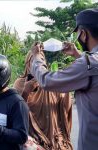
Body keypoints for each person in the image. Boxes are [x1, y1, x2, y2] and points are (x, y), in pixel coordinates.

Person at [30, 9, 98, 150]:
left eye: (78, 33)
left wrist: (37, 57)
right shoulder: (90, 62)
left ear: (84, 34)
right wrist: (77, 54)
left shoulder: (87, 64)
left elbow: (46, 81)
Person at [14, 42, 72, 149]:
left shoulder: (50, 82)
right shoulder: (20, 83)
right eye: (33, 60)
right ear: (27, 64)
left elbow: (64, 108)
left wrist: (61, 86)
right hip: (33, 139)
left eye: (40, 60)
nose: (36, 64)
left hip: (54, 137)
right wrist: (26, 92)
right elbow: (15, 113)